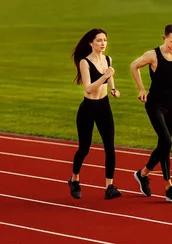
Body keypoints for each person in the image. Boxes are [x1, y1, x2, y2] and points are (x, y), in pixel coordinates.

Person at [130, 23, 172, 202]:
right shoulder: (153, 55)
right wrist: (141, 89)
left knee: (165, 145)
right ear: (164, 38)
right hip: (154, 104)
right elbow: (134, 66)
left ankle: (143, 174)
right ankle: (169, 186)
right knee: (166, 141)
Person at [68, 28, 122, 200]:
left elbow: (109, 76)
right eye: (99, 40)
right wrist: (105, 75)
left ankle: (109, 186)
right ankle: (74, 179)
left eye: (105, 40)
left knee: (110, 148)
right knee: (84, 148)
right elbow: (89, 89)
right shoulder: (85, 62)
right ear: (91, 43)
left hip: (104, 106)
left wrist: (113, 88)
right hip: (88, 108)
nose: (103, 43)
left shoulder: (107, 59)